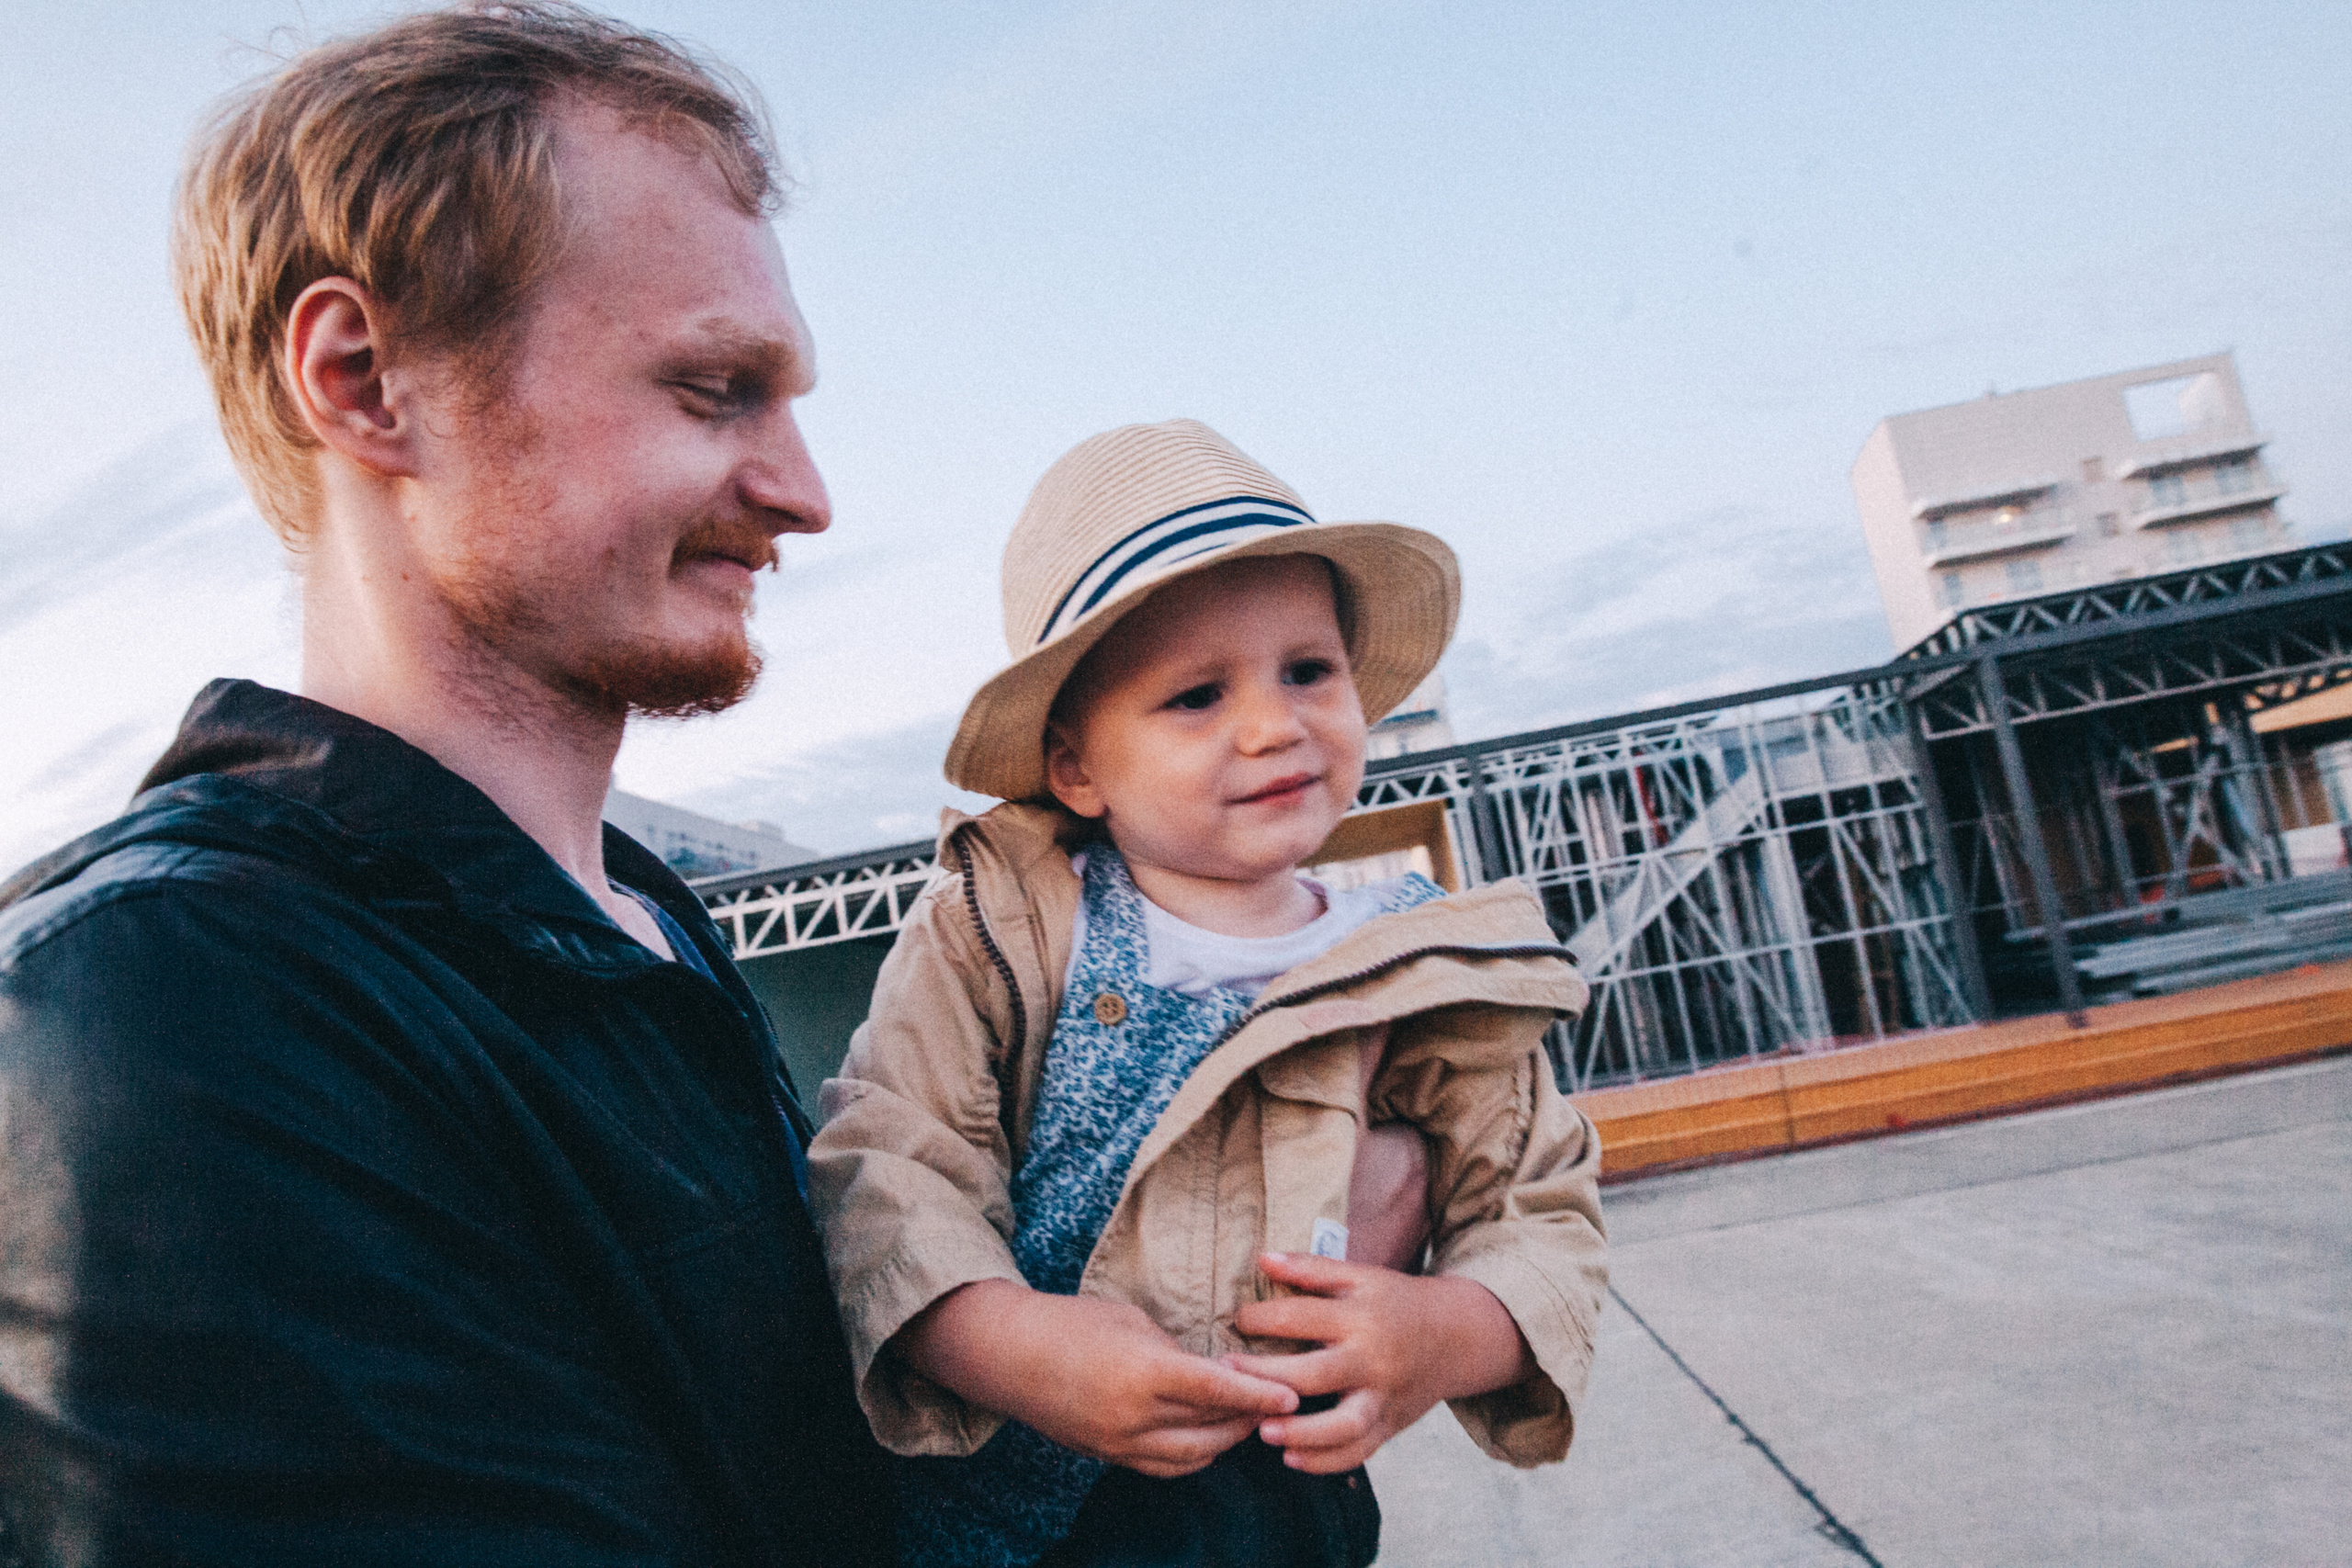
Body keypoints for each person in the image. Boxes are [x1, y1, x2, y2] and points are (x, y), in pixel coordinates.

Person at [0, 5, 892, 1563]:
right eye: (712, 388)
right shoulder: (177, 1010)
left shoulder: (641, 922)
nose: (803, 493)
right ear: (361, 380)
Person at [808, 419, 1610, 1567]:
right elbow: (887, 1160)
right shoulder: (1003, 926)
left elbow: (1536, 1207)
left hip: (1268, 1514)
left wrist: (1442, 1331)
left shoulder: (1423, 974)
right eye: (1194, 695)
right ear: (1076, 766)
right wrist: (1008, 1341)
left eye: (1307, 671)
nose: (1272, 723)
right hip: (992, 1508)